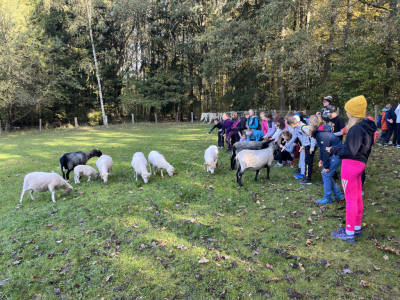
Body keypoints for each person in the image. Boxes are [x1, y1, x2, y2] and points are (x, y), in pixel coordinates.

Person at [327, 95, 377, 243]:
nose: (346, 113)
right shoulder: (366, 127)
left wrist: (333, 150)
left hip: (351, 165)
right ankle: (356, 228)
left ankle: (349, 233)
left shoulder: (355, 129)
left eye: (348, 111)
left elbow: (349, 151)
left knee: (350, 199)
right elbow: (359, 149)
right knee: (357, 197)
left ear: (353, 113)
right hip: (360, 164)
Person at [308, 115, 344, 204]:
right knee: (326, 175)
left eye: (309, 123)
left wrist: (326, 165)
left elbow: (325, 151)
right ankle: (338, 195)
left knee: (326, 174)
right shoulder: (320, 131)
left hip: (336, 155)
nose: (309, 125)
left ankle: (327, 198)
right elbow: (322, 148)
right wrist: (321, 160)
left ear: (314, 123)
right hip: (333, 154)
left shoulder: (322, 133)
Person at [282, 116, 316, 184]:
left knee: (308, 163)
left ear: (292, 124)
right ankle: (305, 177)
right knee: (305, 162)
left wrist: (312, 147)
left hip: (309, 146)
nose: (289, 127)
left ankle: (308, 179)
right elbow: (294, 138)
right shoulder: (297, 128)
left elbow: (312, 137)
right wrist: (285, 146)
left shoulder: (304, 127)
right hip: (305, 146)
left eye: (289, 126)